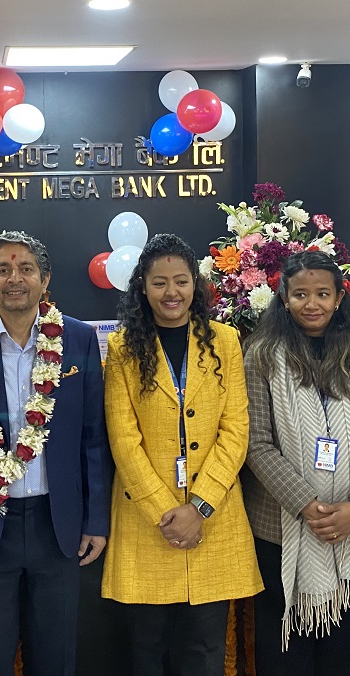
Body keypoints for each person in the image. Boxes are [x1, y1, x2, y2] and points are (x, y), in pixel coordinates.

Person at [0, 230, 112, 676]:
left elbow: (93, 438)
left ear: (45, 279)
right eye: (3, 270)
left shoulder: (78, 340)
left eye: (26, 269)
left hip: (57, 523)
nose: (15, 279)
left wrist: (95, 520)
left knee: (55, 658)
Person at [101, 234, 262, 675]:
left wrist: (199, 507)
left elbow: (236, 431)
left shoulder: (225, 341)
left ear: (196, 284)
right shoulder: (123, 348)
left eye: (181, 281)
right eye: (159, 282)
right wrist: (167, 513)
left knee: (206, 651)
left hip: (213, 520)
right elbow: (123, 439)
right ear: (143, 287)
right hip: (147, 522)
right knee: (147, 651)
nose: (171, 292)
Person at [240, 249, 350, 676]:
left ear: (339, 298)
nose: (311, 304)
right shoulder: (260, 356)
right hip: (282, 531)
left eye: (322, 294)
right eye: (300, 294)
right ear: (284, 298)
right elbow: (256, 443)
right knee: (285, 659)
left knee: (348, 656)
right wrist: (306, 505)